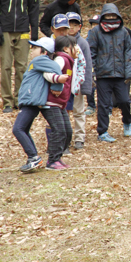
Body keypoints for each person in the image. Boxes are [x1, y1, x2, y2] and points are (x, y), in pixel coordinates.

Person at [12, 37, 67, 173]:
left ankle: (33, 157)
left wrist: (57, 87)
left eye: (35, 48)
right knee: (22, 129)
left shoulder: (40, 60)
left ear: (44, 52)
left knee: (18, 129)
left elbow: (56, 69)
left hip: (31, 101)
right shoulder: (37, 61)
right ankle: (33, 157)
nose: (32, 50)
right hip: (29, 101)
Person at [0, 0, 40, 113]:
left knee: (21, 67)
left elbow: (34, 9)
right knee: (5, 66)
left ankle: (20, 99)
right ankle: (7, 101)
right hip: (5, 30)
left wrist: (34, 31)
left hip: (23, 30)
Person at [87, 3, 131, 143]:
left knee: (124, 101)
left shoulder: (124, 32)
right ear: (103, 16)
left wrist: (129, 73)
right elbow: (91, 53)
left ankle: (127, 122)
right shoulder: (95, 32)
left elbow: (128, 53)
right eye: (108, 16)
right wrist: (92, 73)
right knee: (103, 104)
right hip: (103, 75)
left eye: (113, 16)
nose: (111, 18)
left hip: (121, 75)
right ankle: (102, 132)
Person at [45, 35, 78, 170]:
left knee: (67, 131)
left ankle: (58, 157)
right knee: (59, 131)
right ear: (66, 48)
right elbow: (48, 72)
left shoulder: (69, 60)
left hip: (60, 103)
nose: (77, 48)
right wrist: (56, 81)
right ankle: (52, 161)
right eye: (74, 46)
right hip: (52, 102)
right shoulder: (61, 59)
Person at [66, 12, 93, 150]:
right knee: (63, 112)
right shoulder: (59, 41)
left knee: (78, 110)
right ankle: (64, 137)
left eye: (74, 25)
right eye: (69, 24)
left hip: (77, 84)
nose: (71, 28)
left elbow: (87, 66)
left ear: (79, 27)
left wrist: (86, 87)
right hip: (63, 84)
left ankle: (79, 137)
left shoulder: (83, 43)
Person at [85, 15, 100, 115]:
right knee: (90, 84)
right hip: (90, 63)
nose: (94, 27)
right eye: (93, 24)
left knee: (103, 86)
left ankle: (106, 106)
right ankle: (91, 105)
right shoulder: (90, 35)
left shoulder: (104, 35)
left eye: (96, 24)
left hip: (102, 64)